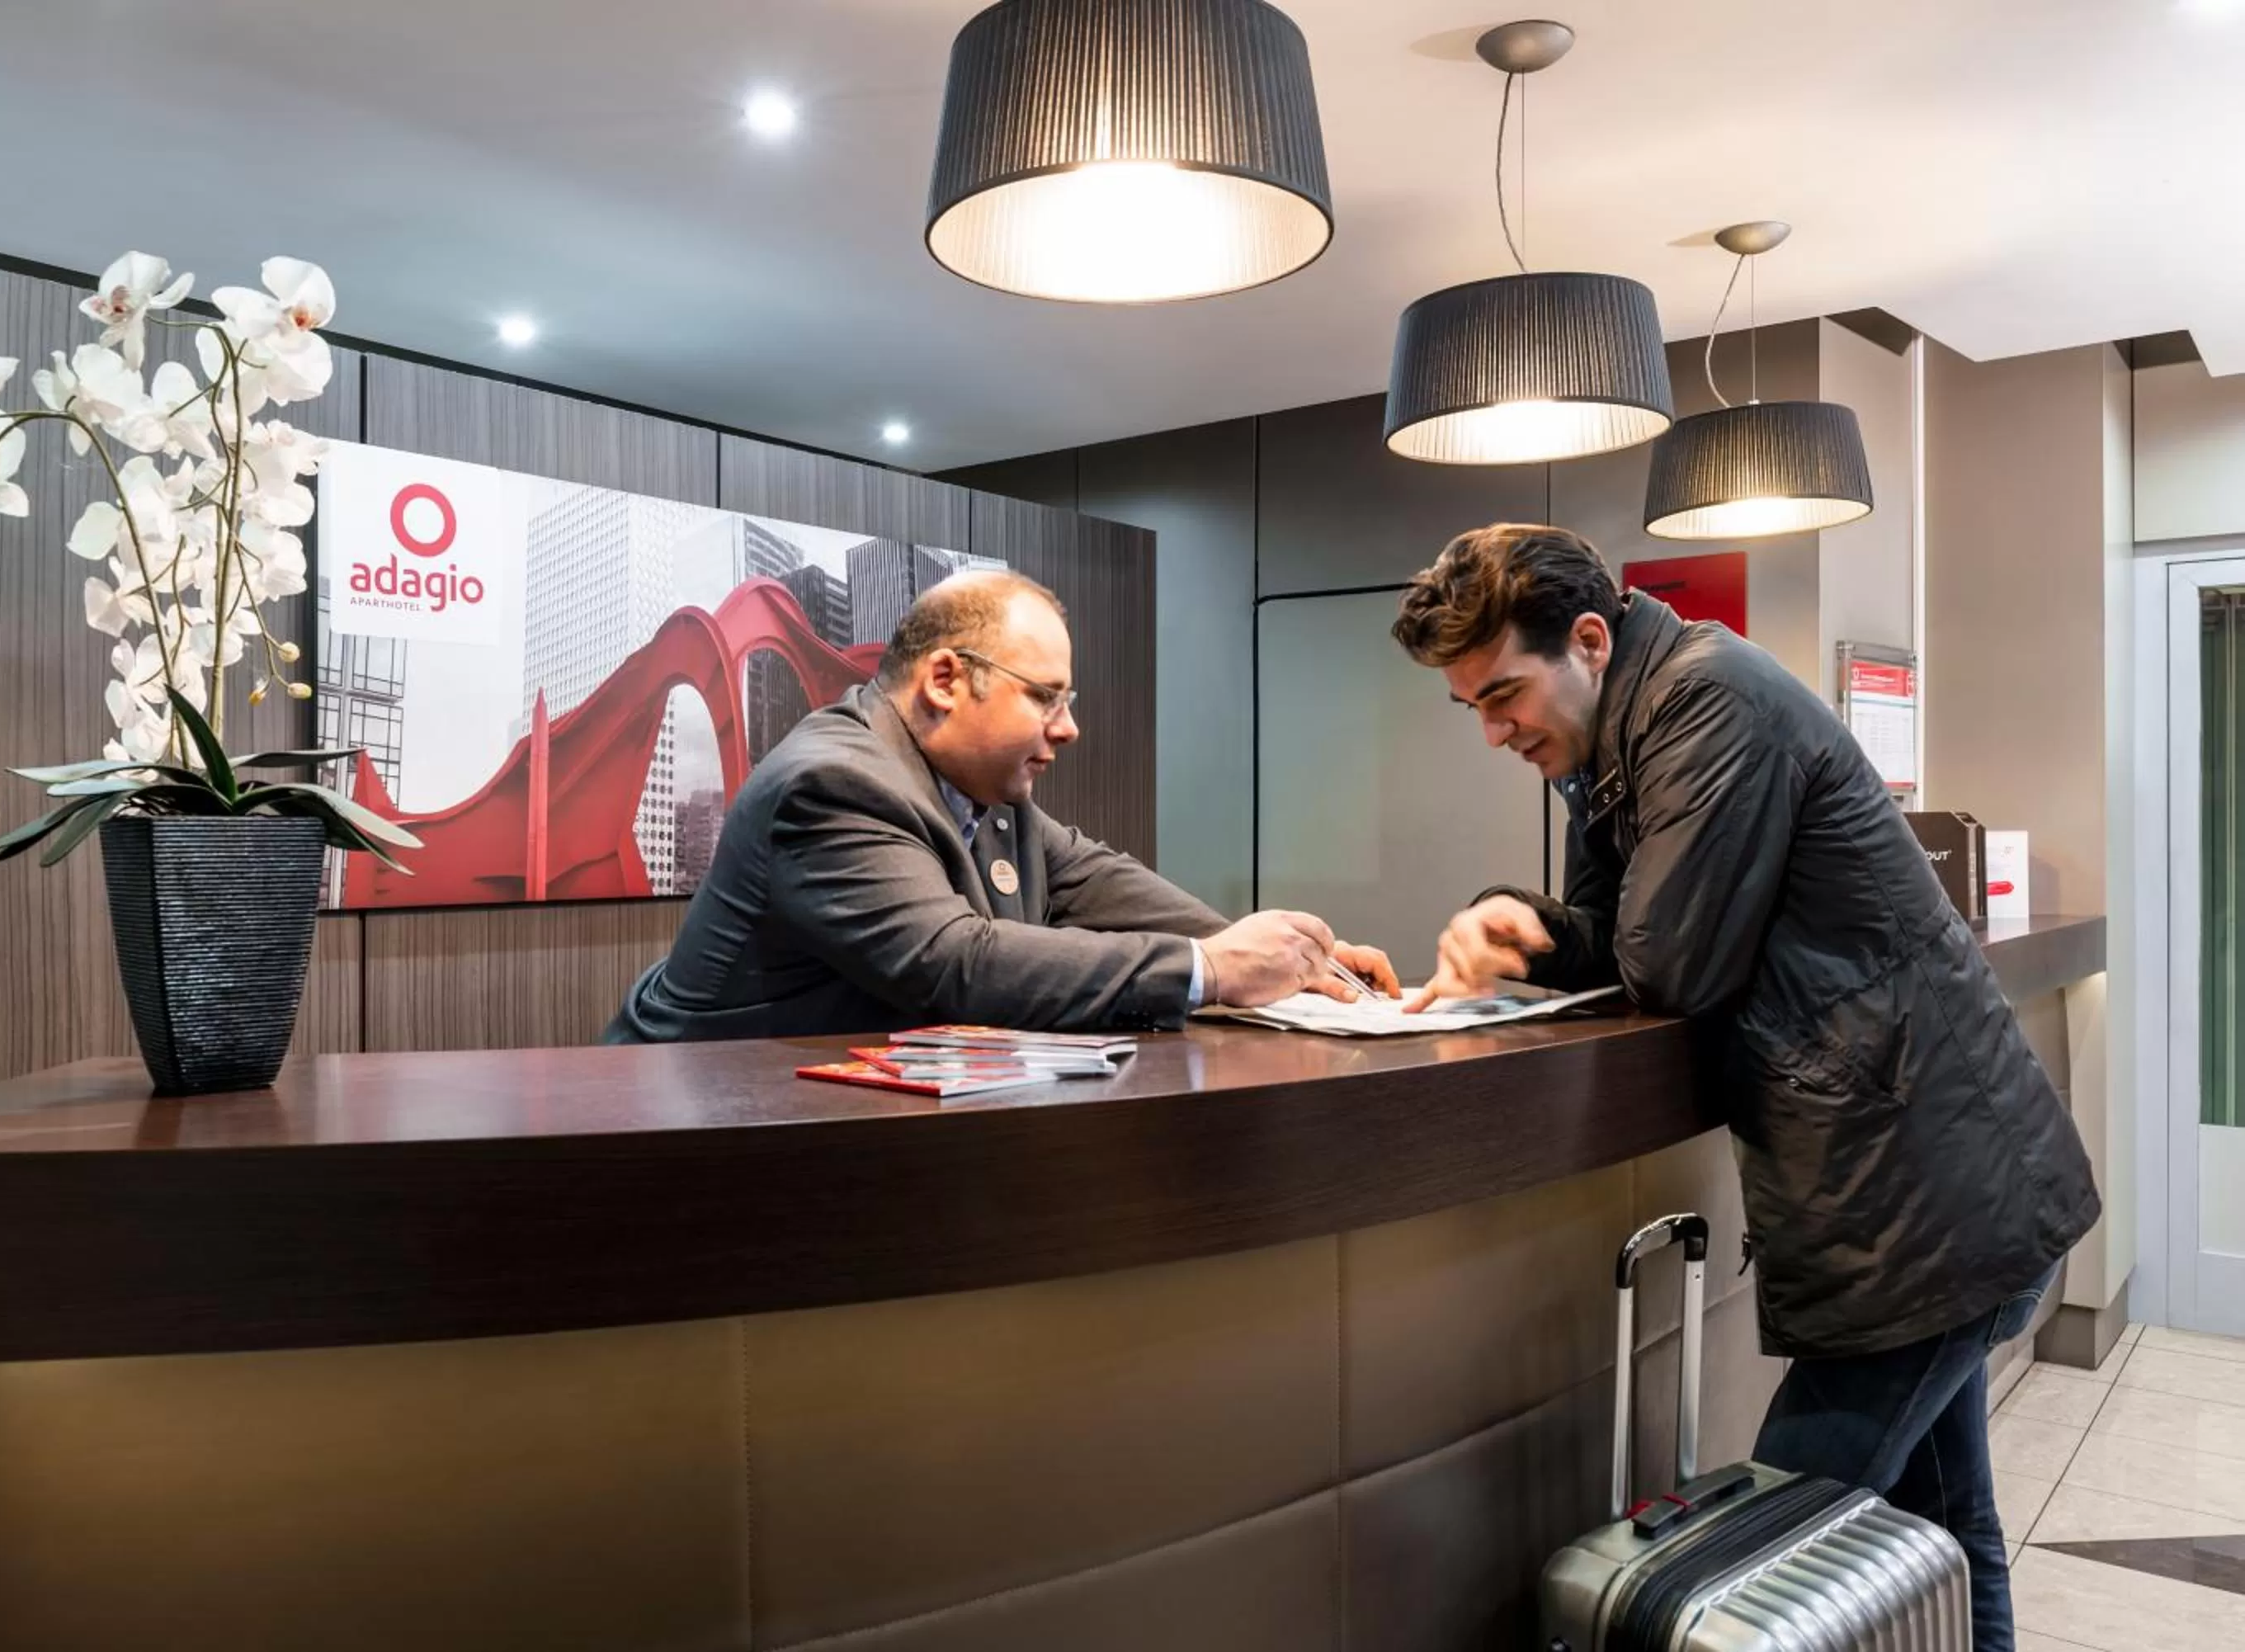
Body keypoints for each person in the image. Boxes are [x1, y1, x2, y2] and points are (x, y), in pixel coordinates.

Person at [1390, 524, 2097, 1652]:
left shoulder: (1709, 698)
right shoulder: (1619, 737)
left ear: (1589, 641)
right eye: (1471, 704)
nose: (1493, 730)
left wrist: (1571, 927)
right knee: (1946, 1526)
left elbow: (1669, 965)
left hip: (1924, 1209)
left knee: (1746, 1574)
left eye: (1505, 694)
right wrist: (1521, 924)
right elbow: (1616, 935)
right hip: (1934, 1203)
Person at [606, 569, 1396, 1042]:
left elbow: (1092, 878)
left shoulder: (982, 791)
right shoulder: (834, 784)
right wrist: (1216, 969)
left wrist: (1288, 959)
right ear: (946, 680)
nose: (1069, 726)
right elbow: (957, 963)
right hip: (700, 1134)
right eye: (1046, 697)